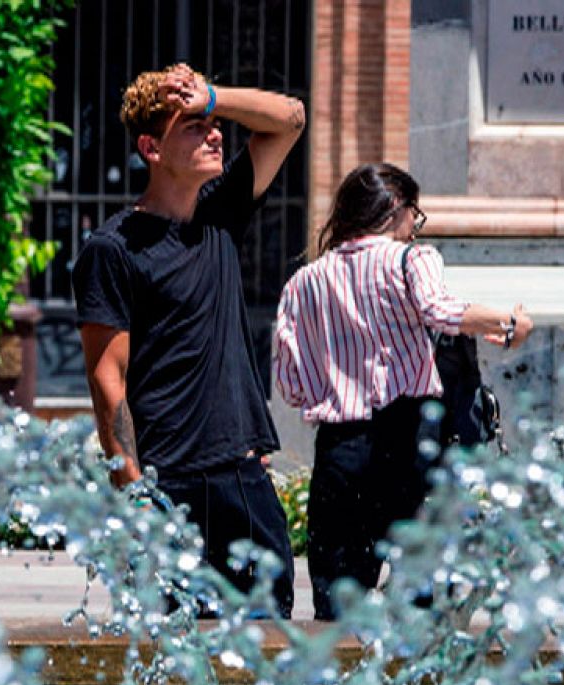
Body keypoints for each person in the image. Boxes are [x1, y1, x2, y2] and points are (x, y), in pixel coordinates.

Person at [72, 63, 305, 617]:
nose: (215, 132)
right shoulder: (113, 249)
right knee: (171, 677)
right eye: (195, 126)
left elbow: (290, 119)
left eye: (213, 122)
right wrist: (137, 500)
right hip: (168, 487)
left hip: (244, 480)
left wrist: (213, 96)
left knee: (270, 663)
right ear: (151, 148)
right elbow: (108, 386)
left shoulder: (221, 216)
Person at [272, 163, 534, 619]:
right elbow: (439, 310)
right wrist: (509, 324)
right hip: (409, 444)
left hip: (338, 452)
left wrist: (341, 375)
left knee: (337, 613)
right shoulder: (411, 259)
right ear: (396, 206)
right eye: (415, 214)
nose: (415, 227)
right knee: (421, 606)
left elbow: (293, 385)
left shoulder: (302, 284)